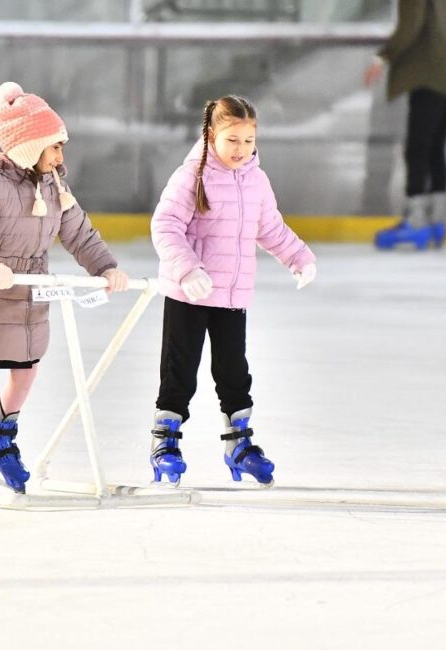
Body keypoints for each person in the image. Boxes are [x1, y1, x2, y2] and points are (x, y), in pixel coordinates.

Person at [0, 82, 129, 494]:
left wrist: (105, 267)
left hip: (30, 300)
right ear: (29, 147)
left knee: (26, 372)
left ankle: (0, 432)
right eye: (54, 147)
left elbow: (79, 233)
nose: (61, 156)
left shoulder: (55, 188)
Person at [148, 95, 317, 487]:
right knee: (179, 373)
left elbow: (270, 227)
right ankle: (165, 445)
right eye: (232, 140)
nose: (241, 149)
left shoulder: (256, 179)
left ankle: (239, 446)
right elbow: (165, 225)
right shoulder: (192, 175)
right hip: (190, 294)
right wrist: (187, 269)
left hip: (231, 297)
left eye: (248, 140)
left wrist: (299, 257)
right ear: (211, 135)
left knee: (234, 373)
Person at [364, 0, 446, 250]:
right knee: (435, 147)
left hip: (429, 73)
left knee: (418, 148)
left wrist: (382, 56)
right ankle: (437, 220)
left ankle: (416, 220)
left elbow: (411, 26)